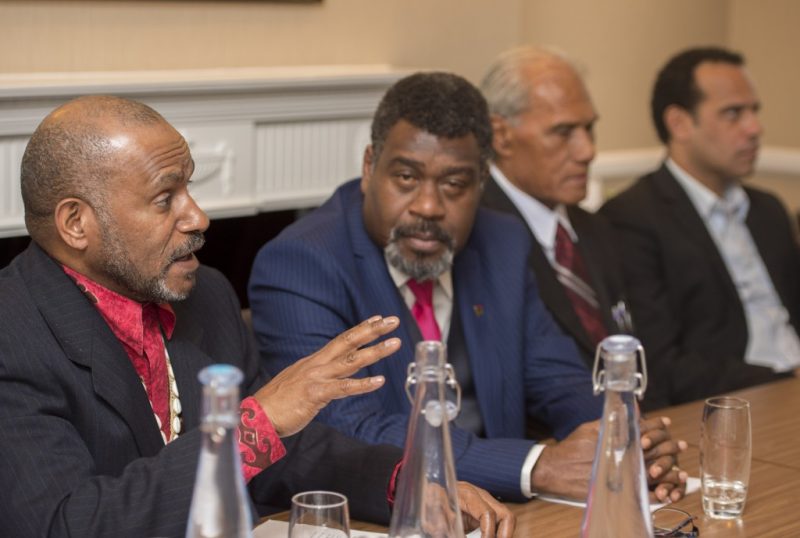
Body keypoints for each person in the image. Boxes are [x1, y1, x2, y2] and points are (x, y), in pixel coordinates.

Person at [0, 95, 514, 538]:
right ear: (75, 222)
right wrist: (252, 424)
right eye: (165, 199)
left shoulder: (207, 295)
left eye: (190, 189)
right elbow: (66, 525)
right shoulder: (11, 334)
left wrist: (406, 484)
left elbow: (280, 456)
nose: (198, 217)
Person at [249, 72, 686, 503]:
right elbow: (348, 429)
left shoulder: (502, 241)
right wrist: (537, 466)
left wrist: (624, 437)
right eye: (406, 177)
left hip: (509, 516)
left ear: (481, 183)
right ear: (369, 167)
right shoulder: (302, 262)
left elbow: (555, 376)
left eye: (454, 184)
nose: (428, 206)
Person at [600, 46, 800, 407]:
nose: (755, 129)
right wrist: (783, 380)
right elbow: (663, 366)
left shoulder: (767, 209)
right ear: (679, 123)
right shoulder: (631, 217)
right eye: (733, 114)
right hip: (736, 403)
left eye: (754, 112)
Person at [480, 46, 630, 371]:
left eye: (589, 129)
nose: (587, 151)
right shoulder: (476, 233)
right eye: (563, 133)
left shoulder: (598, 230)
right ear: (501, 136)